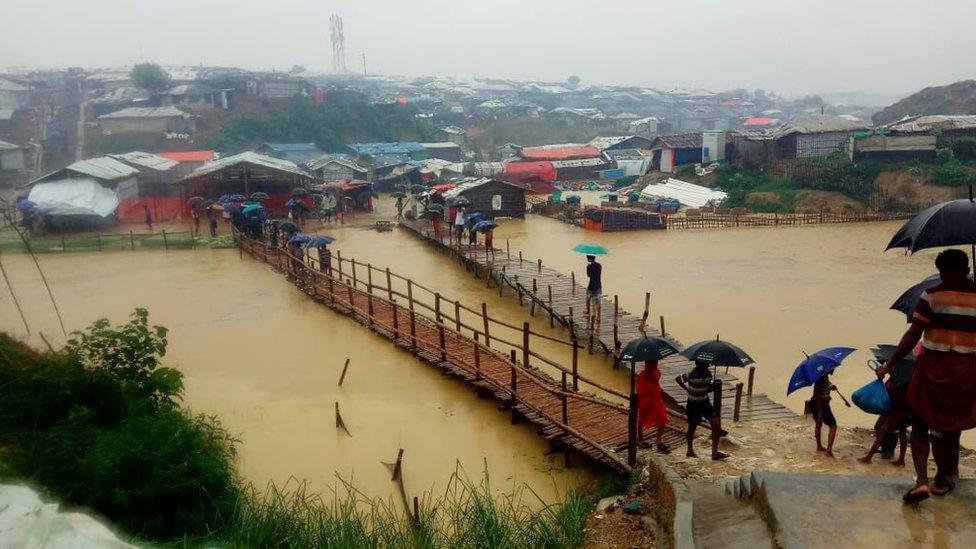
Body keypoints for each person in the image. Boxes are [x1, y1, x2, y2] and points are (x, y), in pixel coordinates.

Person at [880, 249, 976, 503]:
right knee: (950, 426)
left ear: (940, 272)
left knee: (921, 422)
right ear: (967, 271)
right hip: (965, 371)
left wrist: (890, 364)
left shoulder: (932, 295)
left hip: (933, 367)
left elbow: (913, 334)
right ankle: (942, 480)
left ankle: (922, 481)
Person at [676, 361, 728, 460]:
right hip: (693, 404)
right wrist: (687, 389)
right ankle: (690, 450)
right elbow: (678, 379)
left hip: (705, 402)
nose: (708, 366)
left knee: (716, 424)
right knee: (692, 428)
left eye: (708, 364)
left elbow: (707, 388)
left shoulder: (709, 374)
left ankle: (714, 453)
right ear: (699, 365)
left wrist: (712, 387)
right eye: (705, 364)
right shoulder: (692, 374)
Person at [637, 360, 670, 453]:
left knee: (663, 418)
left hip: (656, 399)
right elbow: (641, 391)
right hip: (646, 400)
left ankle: (658, 440)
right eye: (651, 362)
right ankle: (640, 439)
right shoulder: (642, 376)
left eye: (655, 362)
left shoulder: (656, 372)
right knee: (642, 419)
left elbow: (657, 382)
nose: (654, 364)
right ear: (647, 363)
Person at [810, 371, 838, 457]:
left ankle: (819, 446)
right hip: (821, 405)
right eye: (833, 368)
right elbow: (817, 395)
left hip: (818, 404)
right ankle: (828, 451)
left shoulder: (824, 376)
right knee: (833, 425)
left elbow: (824, 387)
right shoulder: (821, 378)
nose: (834, 369)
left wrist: (831, 387)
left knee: (818, 424)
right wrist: (820, 413)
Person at [584, 255, 602, 330]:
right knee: (598, 302)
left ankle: (588, 311)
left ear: (590, 258)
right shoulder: (599, 265)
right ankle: (598, 317)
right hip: (598, 285)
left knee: (587, 299)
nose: (587, 259)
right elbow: (598, 274)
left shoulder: (589, 267)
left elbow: (589, 275)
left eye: (588, 258)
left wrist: (588, 267)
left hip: (591, 286)